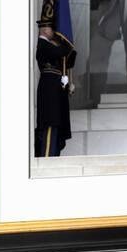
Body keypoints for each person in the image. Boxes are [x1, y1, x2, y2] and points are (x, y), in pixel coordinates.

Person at [35, 19, 77, 157]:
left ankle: (53, 155)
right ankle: (48, 156)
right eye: (52, 30)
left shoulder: (49, 46)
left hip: (55, 92)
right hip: (49, 92)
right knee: (50, 126)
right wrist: (66, 40)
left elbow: (67, 58)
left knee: (56, 126)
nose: (54, 33)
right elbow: (61, 51)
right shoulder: (43, 45)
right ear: (45, 30)